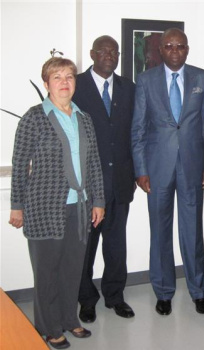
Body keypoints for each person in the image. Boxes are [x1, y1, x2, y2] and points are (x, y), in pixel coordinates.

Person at [9, 57, 105, 349]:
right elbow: (19, 163)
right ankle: (49, 327)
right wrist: (17, 205)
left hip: (80, 206)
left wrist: (98, 200)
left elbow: (95, 164)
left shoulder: (84, 118)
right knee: (47, 270)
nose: (65, 83)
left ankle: (69, 319)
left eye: (69, 77)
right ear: (47, 83)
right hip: (43, 206)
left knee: (72, 269)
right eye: (57, 77)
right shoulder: (34, 117)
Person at [131, 28, 204, 316]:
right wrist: (140, 169)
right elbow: (138, 128)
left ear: (187, 49)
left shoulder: (202, 78)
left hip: (192, 167)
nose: (175, 50)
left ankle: (198, 291)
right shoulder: (145, 80)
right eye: (169, 46)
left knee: (192, 232)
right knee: (160, 232)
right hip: (157, 169)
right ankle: (163, 292)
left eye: (180, 46)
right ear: (160, 50)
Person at [72, 35, 136, 323]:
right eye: (103, 51)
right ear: (92, 54)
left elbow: (135, 134)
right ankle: (86, 299)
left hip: (121, 181)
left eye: (114, 51)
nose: (109, 55)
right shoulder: (75, 86)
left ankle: (115, 296)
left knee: (116, 244)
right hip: (87, 187)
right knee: (85, 247)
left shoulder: (128, 88)